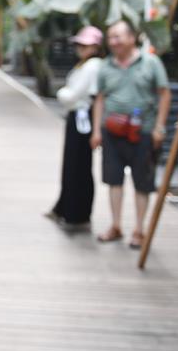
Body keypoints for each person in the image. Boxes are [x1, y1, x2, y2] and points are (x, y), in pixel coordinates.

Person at [91, 20, 171, 248]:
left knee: (142, 182)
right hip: (112, 132)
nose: (113, 42)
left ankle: (139, 229)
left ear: (132, 37)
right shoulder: (106, 66)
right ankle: (115, 225)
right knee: (113, 180)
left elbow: (164, 94)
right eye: (110, 38)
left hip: (143, 131)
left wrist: (159, 127)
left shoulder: (150, 63)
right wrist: (97, 130)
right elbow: (100, 99)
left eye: (117, 37)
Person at [45, 26, 104, 229]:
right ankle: (66, 208)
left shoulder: (92, 66)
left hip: (83, 118)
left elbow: (73, 95)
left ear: (95, 46)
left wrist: (64, 94)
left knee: (79, 165)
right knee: (72, 164)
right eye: (80, 44)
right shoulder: (83, 65)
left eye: (86, 44)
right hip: (76, 117)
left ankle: (77, 213)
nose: (81, 48)